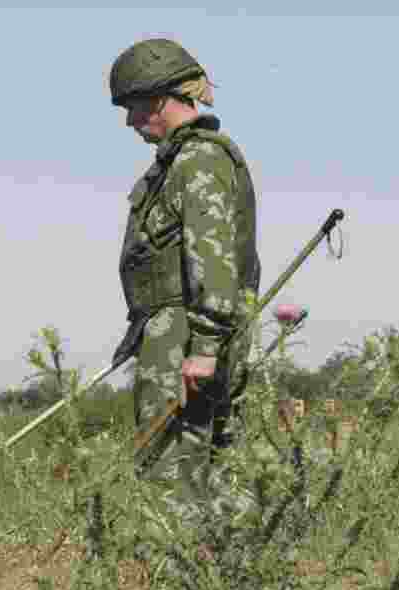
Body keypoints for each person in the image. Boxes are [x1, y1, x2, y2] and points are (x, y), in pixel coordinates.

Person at [110, 38, 261, 529]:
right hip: (180, 335)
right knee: (190, 469)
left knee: (172, 469)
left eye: (133, 108)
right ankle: (210, 579)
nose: (130, 123)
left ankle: (178, 583)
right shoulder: (179, 163)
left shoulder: (198, 160)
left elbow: (212, 257)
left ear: (158, 98)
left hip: (187, 339)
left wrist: (207, 347)